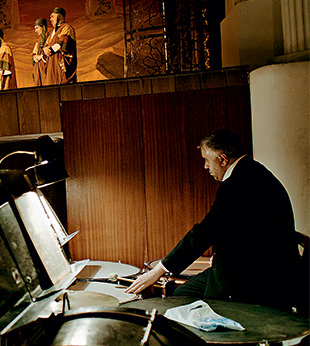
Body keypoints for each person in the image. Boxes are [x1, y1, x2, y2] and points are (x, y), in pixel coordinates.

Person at [125, 130, 301, 311]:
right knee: (180, 295)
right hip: (244, 265)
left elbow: (205, 232)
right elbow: (240, 227)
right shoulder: (252, 171)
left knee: (181, 305)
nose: (205, 166)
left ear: (222, 159)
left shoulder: (238, 184)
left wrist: (157, 272)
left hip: (255, 278)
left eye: (207, 160)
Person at [43, 7, 77, 84]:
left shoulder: (67, 28)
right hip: (52, 64)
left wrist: (50, 50)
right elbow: (46, 44)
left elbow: (62, 43)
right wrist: (45, 49)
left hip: (60, 65)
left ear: (60, 16)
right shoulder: (53, 32)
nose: (50, 19)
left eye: (52, 16)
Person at [31, 18, 49, 87]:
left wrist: (41, 56)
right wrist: (34, 57)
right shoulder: (39, 40)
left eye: (37, 28)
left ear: (43, 27)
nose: (35, 31)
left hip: (46, 69)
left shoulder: (50, 38)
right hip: (39, 70)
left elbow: (50, 51)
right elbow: (34, 53)